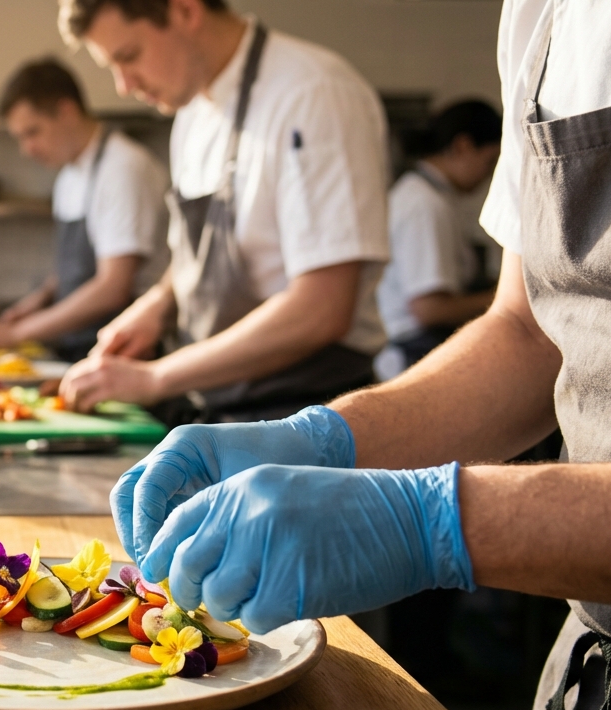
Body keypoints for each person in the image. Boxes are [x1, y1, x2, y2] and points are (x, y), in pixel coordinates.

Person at [112, 1, 611, 710]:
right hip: (600, 682)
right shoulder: (540, 15)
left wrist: (432, 521)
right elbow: (530, 332)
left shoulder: (311, 90)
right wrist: (326, 440)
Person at [56, 0, 390, 424]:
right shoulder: (192, 115)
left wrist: (157, 377)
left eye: (129, 56)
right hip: (221, 407)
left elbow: (322, 308)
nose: (124, 85)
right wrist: (158, 305)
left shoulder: (313, 94)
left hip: (306, 417)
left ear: (185, 11)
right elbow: (198, 258)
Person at [0, 58, 168, 362]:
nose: (27, 149)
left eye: (33, 132)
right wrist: (40, 300)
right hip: (79, 348)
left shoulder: (123, 168)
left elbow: (113, 287)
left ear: (66, 111)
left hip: (125, 355)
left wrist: (17, 333)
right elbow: (78, 268)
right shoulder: (68, 177)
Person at [377, 100, 502, 377]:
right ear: (463, 146)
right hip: (414, 352)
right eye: (490, 161)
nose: (489, 174)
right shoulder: (424, 204)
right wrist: (504, 297)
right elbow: (429, 309)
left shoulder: (432, 196)